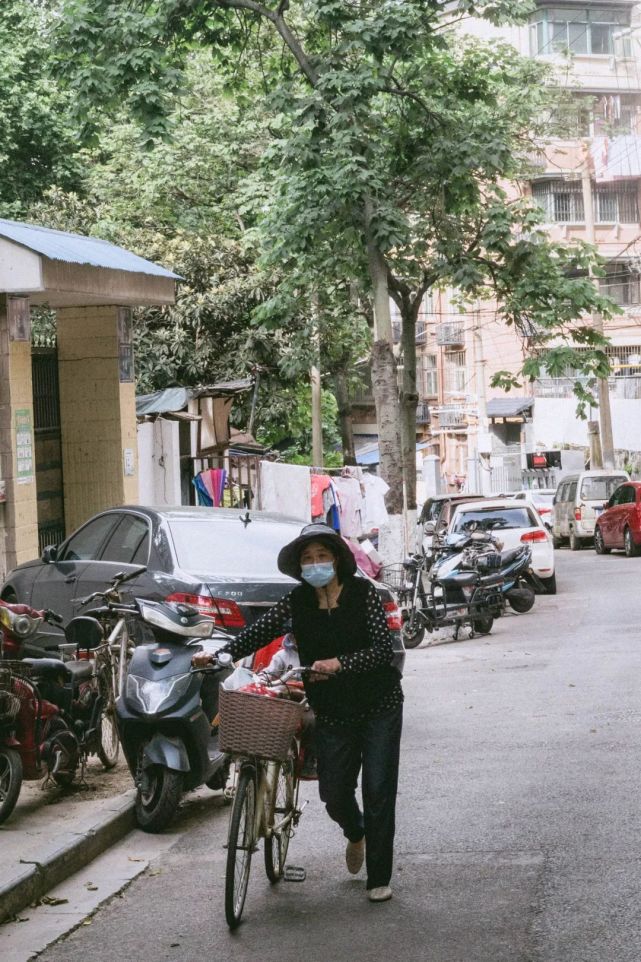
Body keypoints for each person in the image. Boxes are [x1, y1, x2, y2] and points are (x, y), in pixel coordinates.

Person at [193, 522, 403, 902]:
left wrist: (338, 663)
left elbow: (382, 652)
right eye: (308, 558)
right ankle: (356, 832)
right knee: (334, 793)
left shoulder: (363, 594)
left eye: (322, 555)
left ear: (337, 560)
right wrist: (223, 653)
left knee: (378, 789)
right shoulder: (297, 601)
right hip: (333, 711)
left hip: (378, 705)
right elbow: (259, 632)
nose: (315, 563)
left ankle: (379, 877)